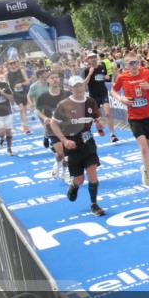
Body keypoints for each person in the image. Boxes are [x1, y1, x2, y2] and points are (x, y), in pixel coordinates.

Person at [111, 53, 149, 196]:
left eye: (135, 62)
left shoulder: (147, 73)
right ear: (125, 66)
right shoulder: (122, 77)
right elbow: (113, 90)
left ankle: (145, 169)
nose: (134, 65)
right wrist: (121, 98)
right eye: (130, 63)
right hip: (134, 118)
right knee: (144, 149)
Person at [49, 76, 105, 216]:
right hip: (72, 144)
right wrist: (63, 140)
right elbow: (53, 123)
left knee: (92, 172)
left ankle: (94, 204)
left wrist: (99, 126)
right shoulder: (64, 104)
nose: (79, 89)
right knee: (80, 179)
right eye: (75, 86)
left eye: (80, 85)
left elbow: (97, 118)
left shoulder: (90, 101)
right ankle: (74, 186)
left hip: (88, 141)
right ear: (70, 89)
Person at [35, 72, 70, 181]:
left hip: (66, 127)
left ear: (59, 80)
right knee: (61, 152)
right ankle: (65, 171)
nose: (55, 79)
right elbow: (37, 110)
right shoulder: (43, 96)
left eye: (56, 77)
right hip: (52, 127)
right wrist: (44, 117)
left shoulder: (67, 93)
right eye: (52, 78)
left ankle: (62, 169)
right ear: (48, 81)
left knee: (65, 153)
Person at [83, 52, 119, 143]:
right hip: (94, 96)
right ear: (88, 60)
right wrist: (90, 74)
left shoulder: (101, 68)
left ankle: (112, 134)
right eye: (91, 58)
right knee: (97, 117)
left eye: (94, 57)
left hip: (103, 94)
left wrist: (107, 77)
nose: (93, 59)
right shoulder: (87, 70)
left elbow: (106, 77)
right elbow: (84, 84)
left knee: (107, 113)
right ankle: (99, 129)